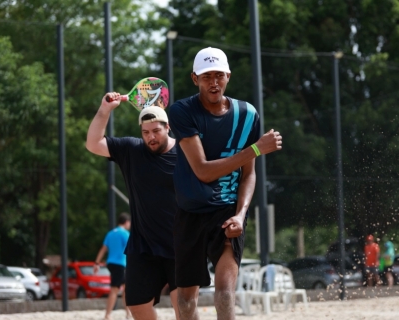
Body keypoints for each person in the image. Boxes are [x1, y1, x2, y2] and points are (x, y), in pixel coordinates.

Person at [168, 47, 282, 320]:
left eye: (219, 75)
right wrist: (256, 149)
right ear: (195, 79)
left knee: (225, 294)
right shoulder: (181, 111)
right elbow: (203, 171)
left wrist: (240, 216)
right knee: (184, 302)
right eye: (207, 76)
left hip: (227, 211)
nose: (214, 82)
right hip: (190, 211)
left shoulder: (247, 114)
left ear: (228, 76)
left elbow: (248, 175)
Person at [86, 100, 180, 320]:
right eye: (145, 132)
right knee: (136, 305)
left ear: (168, 127)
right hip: (143, 245)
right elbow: (93, 143)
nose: (151, 137)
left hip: (181, 244)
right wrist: (104, 109)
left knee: (183, 305)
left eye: (156, 131)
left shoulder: (187, 151)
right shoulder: (132, 149)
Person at [94, 213, 131, 320]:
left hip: (111, 263)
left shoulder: (110, 234)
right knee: (115, 289)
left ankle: (128, 313)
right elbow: (131, 250)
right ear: (127, 222)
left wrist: (96, 263)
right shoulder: (125, 234)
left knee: (126, 288)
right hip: (121, 264)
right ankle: (107, 315)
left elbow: (103, 249)